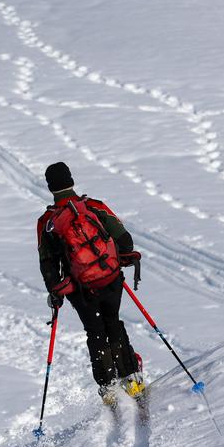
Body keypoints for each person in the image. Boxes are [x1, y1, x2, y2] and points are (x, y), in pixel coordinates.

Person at [36, 161, 145, 407]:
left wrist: (56, 292)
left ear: (50, 187)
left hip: (81, 288)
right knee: (113, 323)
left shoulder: (48, 222)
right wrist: (114, 259)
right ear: (71, 180)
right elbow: (125, 241)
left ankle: (108, 388)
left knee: (95, 330)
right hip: (110, 279)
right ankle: (132, 380)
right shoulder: (93, 207)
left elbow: (48, 264)